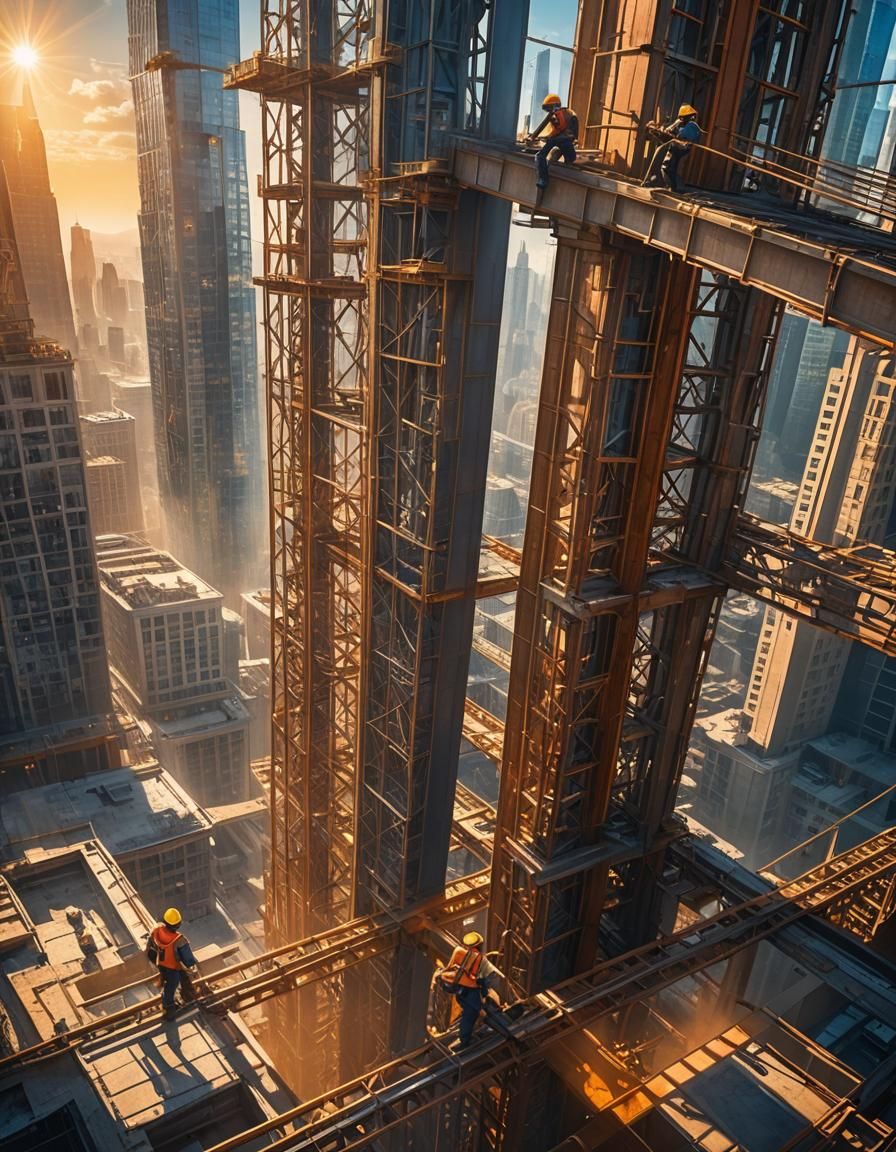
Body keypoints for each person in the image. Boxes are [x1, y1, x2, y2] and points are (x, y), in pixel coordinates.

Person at [443, 930, 501, 1048]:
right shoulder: (479, 959)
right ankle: (465, 1042)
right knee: (472, 1013)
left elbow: (448, 968)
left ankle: (466, 1035)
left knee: (469, 1012)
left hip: (460, 991)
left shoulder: (458, 952)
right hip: (471, 991)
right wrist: (484, 994)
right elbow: (482, 980)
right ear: (479, 945)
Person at [147, 908, 201, 1021]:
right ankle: (169, 1010)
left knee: (169, 983)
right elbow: (188, 959)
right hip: (172, 966)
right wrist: (192, 966)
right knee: (172, 985)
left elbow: (150, 945)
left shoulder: (156, 930)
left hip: (160, 963)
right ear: (178, 924)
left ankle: (175, 1001)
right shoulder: (179, 940)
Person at [645, 104, 701, 193]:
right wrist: (660, 131)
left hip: (680, 148)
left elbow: (681, 137)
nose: (680, 120)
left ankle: (671, 187)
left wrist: (673, 133)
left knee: (667, 167)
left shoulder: (691, 126)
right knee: (670, 166)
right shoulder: (681, 124)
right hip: (676, 147)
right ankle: (671, 186)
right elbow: (669, 132)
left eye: (682, 118)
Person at [527, 94, 579, 189]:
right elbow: (548, 127)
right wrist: (537, 136)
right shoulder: (569, 112)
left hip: (561, 139)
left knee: (539, 156)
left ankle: (543, 180)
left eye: (548, 109)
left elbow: (560, 127)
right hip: (568, 141)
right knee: (569, 158)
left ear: (554, 106)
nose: (548, 112)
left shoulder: (557, 113)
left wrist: (546, 137)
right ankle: (569, 161)